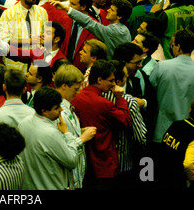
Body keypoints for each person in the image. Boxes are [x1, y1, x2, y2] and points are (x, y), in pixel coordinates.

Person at [73, 59, 132, 189]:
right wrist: (120, 98)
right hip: (104, 164)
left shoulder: (76, 98)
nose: (113, 84)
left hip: (83, 161)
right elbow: (125, 121)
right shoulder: (104, 104)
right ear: (99, 80)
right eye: (110, 81)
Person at [149, 29, 194, 146]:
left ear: (178, 47)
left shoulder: (161, 67)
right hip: (187, 137)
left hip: (160, 133)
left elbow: (148, 95)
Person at [18, 86, 86, 190]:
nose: (61, 109)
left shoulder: (24, 122)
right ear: (44, 110)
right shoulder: (50, 133)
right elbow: (72, 160)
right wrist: (67, 133)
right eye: (56, 108)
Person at [102, 60, 147, 188]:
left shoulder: (97, 98)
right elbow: (140, 137)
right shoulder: (129, 102)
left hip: (99, 162)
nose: (127, 76)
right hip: (123, 163)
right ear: (117, 81)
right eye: (125, 74)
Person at [53, 64, 97, 188]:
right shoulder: (57, 112)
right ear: (64, 86)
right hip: (66, 181)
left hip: (76, 178)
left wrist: (80, 131)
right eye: (75, 89)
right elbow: (62, 148)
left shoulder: (68, 107)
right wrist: (83, 138)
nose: (78, 93)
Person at [155, 96, 194, 189]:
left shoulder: (176, 124)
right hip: (177, 181)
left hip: (161, 175)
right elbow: (189, 164)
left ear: (190, 111)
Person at [50, 0, 132, 60]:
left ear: (119, 16)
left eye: (112, 10)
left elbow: (89, 22)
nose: (108, 11)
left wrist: (67, 9)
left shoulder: (111, 31)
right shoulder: (126, 31)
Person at [0, 0, 48, 73]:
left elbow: (46, 38)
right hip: (15, 66)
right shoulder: (8, 14)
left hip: (36, 65)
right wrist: (29, 41)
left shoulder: (42, 12)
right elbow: (4, 41)